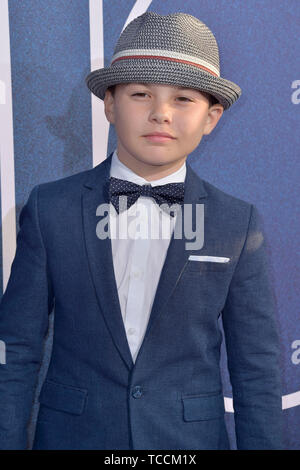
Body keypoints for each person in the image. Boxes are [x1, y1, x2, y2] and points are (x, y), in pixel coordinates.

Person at [0, 11, 283, 450]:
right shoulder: (50, 208)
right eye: (140, 93)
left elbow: (257, 368)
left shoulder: (236, 222)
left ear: (212, 117)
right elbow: (15, 349)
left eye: (183, 99)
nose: (160, 114)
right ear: (110, 105)